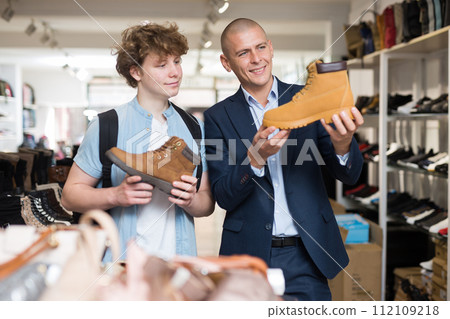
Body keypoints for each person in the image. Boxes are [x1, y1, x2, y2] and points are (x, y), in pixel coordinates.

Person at [204, 18, 364, 300]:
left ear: (271, 48)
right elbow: (223, 196)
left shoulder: (308, 98)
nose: (256, 59)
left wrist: (343, 143)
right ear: (226, 62)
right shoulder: (218, 116)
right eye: (243, 53)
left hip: (308, 253)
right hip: (248, 255)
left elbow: (349, 176)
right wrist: (255, 159)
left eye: (260, 47)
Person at [62, 22, 215, 261]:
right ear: (136, 72)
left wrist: (192, 200)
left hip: (178, 263)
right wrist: (116, 195)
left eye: (177, 61)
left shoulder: (194, 127)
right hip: (120, 263)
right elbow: (70, 196)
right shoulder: (107, 125)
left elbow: (206, 202)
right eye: (162, 65)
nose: (175, 72)